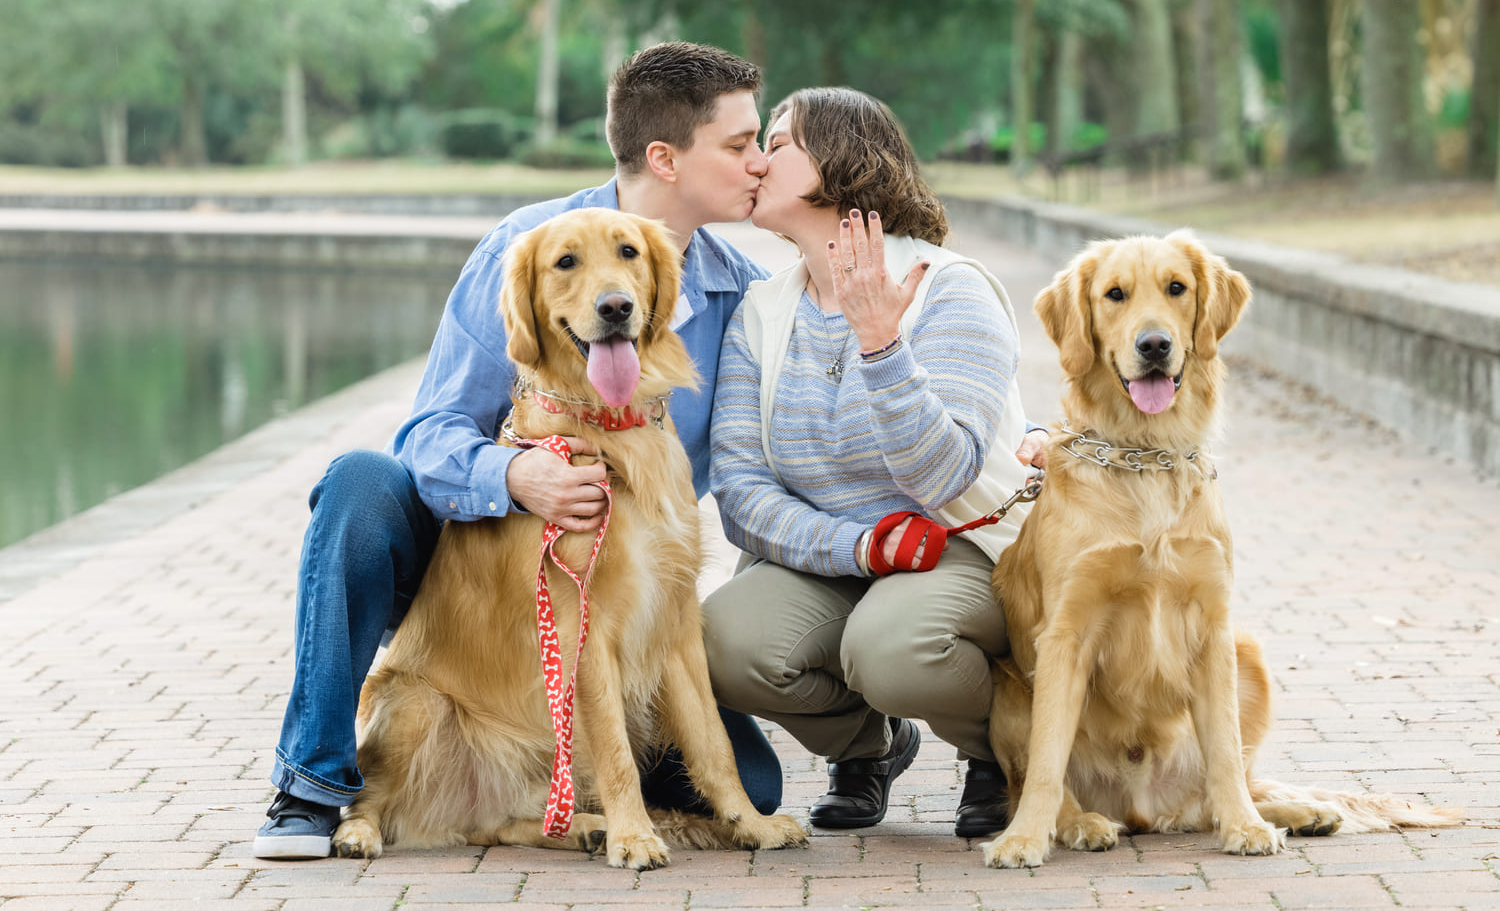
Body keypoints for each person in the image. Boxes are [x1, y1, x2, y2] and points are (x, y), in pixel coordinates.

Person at [254, 42, 784, 860]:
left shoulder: (736, 289)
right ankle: (314, 783)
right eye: (742, 144)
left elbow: (762, 464)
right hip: (477, 556)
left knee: (760, 785)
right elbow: (430, 434)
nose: (761, 162)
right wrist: (517, 474)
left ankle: (539, 799)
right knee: (359, 482)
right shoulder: (527, 245)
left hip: (633, 575)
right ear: (664, 157)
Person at [702, 86, 1042, 838]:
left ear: (841, 158)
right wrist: (854, 546)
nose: (757, 160)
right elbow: (739, 489)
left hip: (961, 544)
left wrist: (883, 346)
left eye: (780, 141)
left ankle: (1005, 749)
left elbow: (942, 473)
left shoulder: (951, 290)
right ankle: (869, 749)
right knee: (723, 639)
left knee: (892, 650)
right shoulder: (762, 312)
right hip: (839, 555)